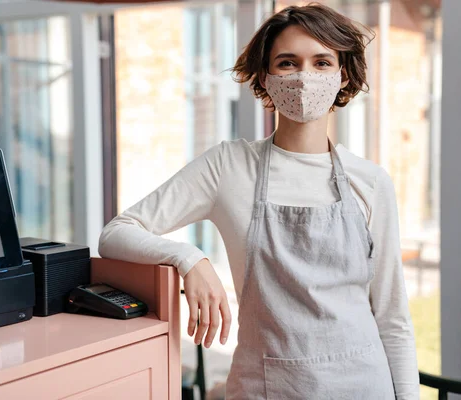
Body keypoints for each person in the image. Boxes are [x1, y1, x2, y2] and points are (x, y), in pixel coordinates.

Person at [99, 3, 419, 399]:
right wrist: (189, 259)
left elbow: (392, 318)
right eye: (288, 63)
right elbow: (116, 233)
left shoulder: (370, 183)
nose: (305, 77)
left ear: (342, 76)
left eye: (321, 63)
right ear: (265, 79)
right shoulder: (229, 167)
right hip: (265, 388)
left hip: (363, 385)